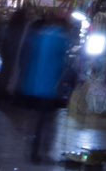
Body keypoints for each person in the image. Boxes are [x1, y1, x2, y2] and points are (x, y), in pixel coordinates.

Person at [13, 12, 77, 163]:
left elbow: (26, 56)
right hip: (49, 88)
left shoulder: (39, 36)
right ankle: (42, 151)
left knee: (34, 120)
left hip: (31, 85)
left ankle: (30, 149)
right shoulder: (62, 39)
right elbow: (64, 64)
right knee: (47, 121)